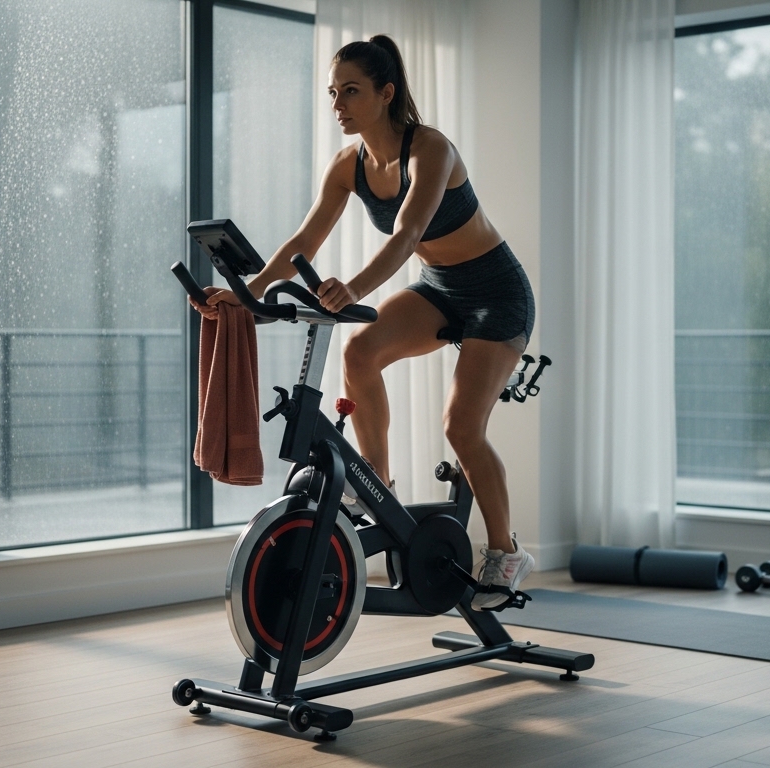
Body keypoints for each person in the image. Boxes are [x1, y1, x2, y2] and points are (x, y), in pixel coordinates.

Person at [192, 34, 533, 609]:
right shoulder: (348, 165)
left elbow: (407, 234)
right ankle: (378, 486)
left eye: (351, 91)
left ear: (386, 93)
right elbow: (304, 239)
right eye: (333, 93)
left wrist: (352, 288)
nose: (338, 104)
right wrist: (247, 294)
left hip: (496, 293)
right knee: (359, 353)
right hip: (440, 288)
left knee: (461, 426)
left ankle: (505, 552)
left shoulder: (431, 150)